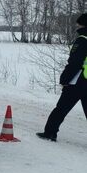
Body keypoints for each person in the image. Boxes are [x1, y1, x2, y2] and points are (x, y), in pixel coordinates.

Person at [37, 14, 87, 142]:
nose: (77, 26)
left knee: (61, 109)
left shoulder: (82, 40)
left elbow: (75, 63)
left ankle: (50, 133)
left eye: (79, 24)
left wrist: (64, 80)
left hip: (78, 81)